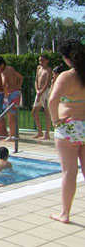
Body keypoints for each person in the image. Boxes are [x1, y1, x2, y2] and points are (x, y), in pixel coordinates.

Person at [48, 39, 85, 224]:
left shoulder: (66, 76)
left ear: (67, 58)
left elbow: (52, 100)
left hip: (69, 127)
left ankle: (65, 213)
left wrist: (55, 121)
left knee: (69, 173)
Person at [0, 57, 23, 141]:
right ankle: (15, 134)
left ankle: (12, 136)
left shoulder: (4, 72)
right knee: (13, 115)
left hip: (10, 94)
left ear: (1, 65)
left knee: (10, 116)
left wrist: (6, 96)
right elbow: (20, 77)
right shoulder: (10, 69)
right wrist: (18, 87)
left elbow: (4, 84)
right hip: (16, 93)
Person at [32, 55, 52, 140]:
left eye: (42, 60)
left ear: (47, 61)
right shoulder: (38, 68)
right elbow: (36, 80)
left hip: (45, 92)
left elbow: (47, 83)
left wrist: (41, 92)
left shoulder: (49, 70)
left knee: (47, 112)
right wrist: (37, 90)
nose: (41, 62)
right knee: (34, 112)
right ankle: (39, 132)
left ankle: (47, 134)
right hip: (39, 91)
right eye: (40, 60)